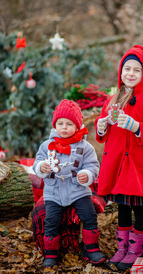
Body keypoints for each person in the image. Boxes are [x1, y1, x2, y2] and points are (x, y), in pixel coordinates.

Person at [95, 45, 143, 271]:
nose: (131, 74)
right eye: (127, 69)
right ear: (121, 71)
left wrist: (136, 126)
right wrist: (102, 126)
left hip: (137, 167)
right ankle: (122, 248)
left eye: (137, 70)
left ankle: (136, 249)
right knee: (123, 209)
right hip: (117, 165)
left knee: (139, 209)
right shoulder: (113, 99)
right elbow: (105, 136)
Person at [33, 99, 105, 268]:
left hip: (77, 190)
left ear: (77, 126)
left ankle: (91, 249)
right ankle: (51, 253)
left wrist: (86, 175)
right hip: (54, 191)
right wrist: (41, 167)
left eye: (69, 124)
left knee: (89, 216)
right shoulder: (47, 146)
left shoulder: (85, 147)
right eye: (60, 123)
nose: (64, 128)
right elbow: (37, 162)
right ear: (55, 125)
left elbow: (93, 166)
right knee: (51, 220)